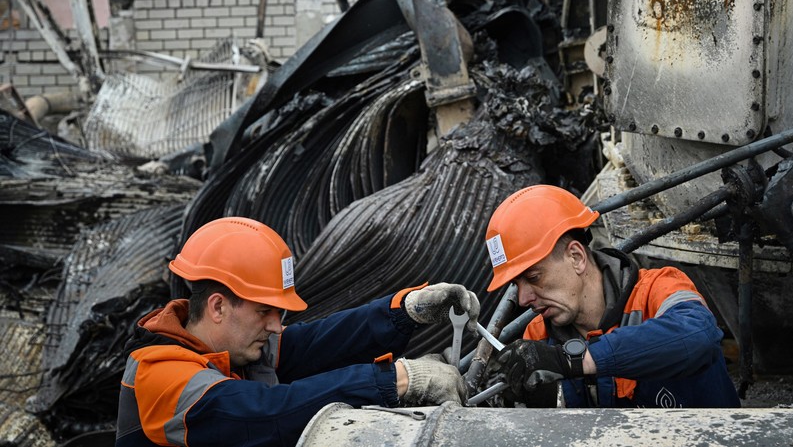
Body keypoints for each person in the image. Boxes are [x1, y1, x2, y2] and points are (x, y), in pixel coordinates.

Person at [115, 216, 479, 447]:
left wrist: (404, 311)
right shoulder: (159, 373)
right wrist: (399, 380)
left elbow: (314, 344)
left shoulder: (232, 347)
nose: (276, 325)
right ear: (218, 307)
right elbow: (265, 413)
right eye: (264, 311)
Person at [484, 184, 740, 408]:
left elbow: (700, 335)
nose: (523, 299)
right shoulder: (538, 337)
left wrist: (574, 360)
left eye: (533, 277)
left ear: (576, 257)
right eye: (517, 285)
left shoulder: (657, 289)